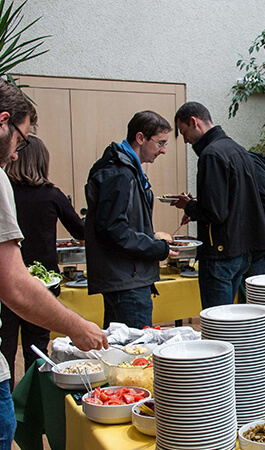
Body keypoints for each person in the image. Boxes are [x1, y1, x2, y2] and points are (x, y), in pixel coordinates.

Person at [0, 76, 107, 450]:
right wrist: (78, 327)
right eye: (20, 139)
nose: (16, 153)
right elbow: (15, 287)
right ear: (1, 122)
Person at [0, 136, 86, 390]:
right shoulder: (52, 195)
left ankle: (6, 402)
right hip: (43, 284)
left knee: (3, 347)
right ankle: (34, 408)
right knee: (36, 350)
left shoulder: (4, 191)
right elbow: (80, 231)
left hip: (5, 280)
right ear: (42, 162)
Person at [171, 102, 265, 309]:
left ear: (194, 122)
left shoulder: (211, 154)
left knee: (218, 323)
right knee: (232, 319)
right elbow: (237, 200)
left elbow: (215, 212)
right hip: (242, 251)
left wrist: (188, 206)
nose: (184, 140)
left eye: (184, 132)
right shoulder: (238, 150)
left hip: (220, 253)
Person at [85, 110, 178, 329]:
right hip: (127, 282)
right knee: (137, 353)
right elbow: (112, 229)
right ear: (140, 138)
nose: (163, 150)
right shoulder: (119, 173)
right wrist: (157, 248)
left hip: (126, 278)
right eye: (160, 143)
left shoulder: (126, 169)